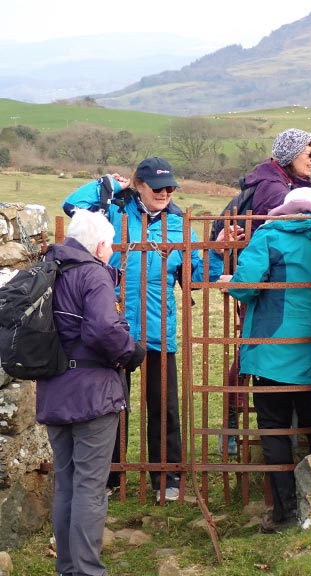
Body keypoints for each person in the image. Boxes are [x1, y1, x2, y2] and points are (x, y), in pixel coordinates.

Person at [62, 156, 242, 502]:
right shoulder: (113, 212)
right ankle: (111, 478)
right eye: (158, 187)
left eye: (171, 187)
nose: (165, 193)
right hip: (112, 330)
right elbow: (72, 207)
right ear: (138, 186)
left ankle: (167, 476)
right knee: (111, 406)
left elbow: (196, 277)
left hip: (159, 329)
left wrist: (217, 252)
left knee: (164, 408)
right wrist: (108, 185)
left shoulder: (178, 224)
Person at [219, 187, 311, 533]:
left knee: (275, 431)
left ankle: (284, 513)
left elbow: (246, 286)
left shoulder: (269, 234)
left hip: (271, 351)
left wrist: (231, 282)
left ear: (286, 209)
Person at [36, 209, 145, 576]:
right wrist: (131, 351)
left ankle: (68, 567)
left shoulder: (49, 270)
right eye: (111, 244)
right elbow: (101, 331)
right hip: (92, 395)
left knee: (65, 483)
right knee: (90, 487)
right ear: (100, 245)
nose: (112, 250)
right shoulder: (94, 274)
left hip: (54, 389)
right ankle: (86, 570)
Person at [221, 128, 311, 455]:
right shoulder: (275, 189)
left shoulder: (284, 183)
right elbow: (281, 231)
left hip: (266, 283)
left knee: (260, 353)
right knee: (260, 353)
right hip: (270, 288)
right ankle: (234, 424)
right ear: (292, 155)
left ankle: (235, 426)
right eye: (309, 153)